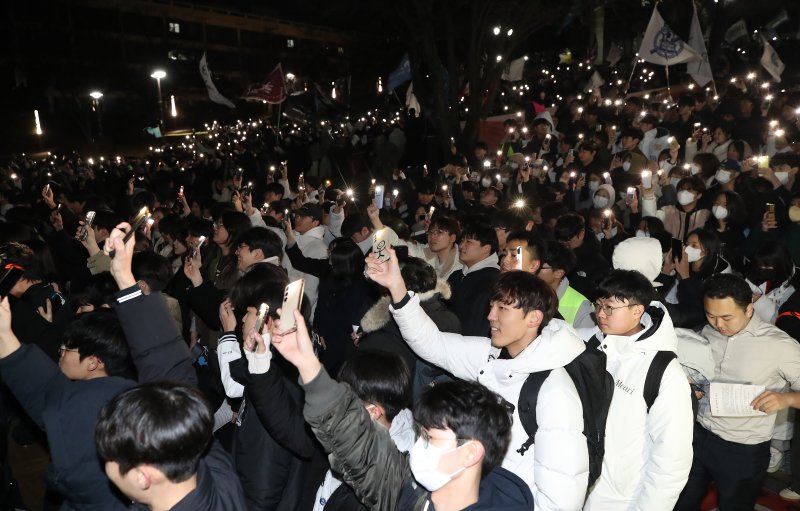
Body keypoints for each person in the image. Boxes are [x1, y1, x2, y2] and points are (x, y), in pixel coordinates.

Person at [365, 247, 591, 509]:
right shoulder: (492, 355)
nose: (490, 316)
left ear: (534, 319)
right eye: (492, 305)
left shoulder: (554, 391)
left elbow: (563, 495)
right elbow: (432, 343)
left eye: (502, 309)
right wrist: (397, 287)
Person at [265, 307, 534, 511]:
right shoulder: (409, 495)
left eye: (431, 438)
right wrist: (306, 363)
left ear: (471, 452)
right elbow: (357, 443)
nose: (419, 446)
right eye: (423, 433)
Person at [674, 274, 800, 511]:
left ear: (749, 309)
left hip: (743, 450)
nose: (718, 324)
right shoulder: (707, 332)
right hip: (698, 435)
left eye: (726, 317)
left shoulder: (780, 346)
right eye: (711, 316)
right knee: (681, 502)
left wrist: (787, 398)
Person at [578, 270, 693, 510]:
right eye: (598, 305)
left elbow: (672, 456)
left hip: (621, 498)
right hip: (575, 485)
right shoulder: (586, 343)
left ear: (637, 310)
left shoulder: (662, 369)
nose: (600, 314)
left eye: (609, 307)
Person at [445, 219, 500, 337]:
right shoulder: (457, 275)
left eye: (469, 242)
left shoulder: (492, 281)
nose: (461, 246)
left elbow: (477, 327)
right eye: (462, 240)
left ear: (486, 249)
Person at [537, 241, 594, 329]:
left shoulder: (581, 307)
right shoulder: (524, 293)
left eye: (540, 266)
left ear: (559, 273)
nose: (533, 268)